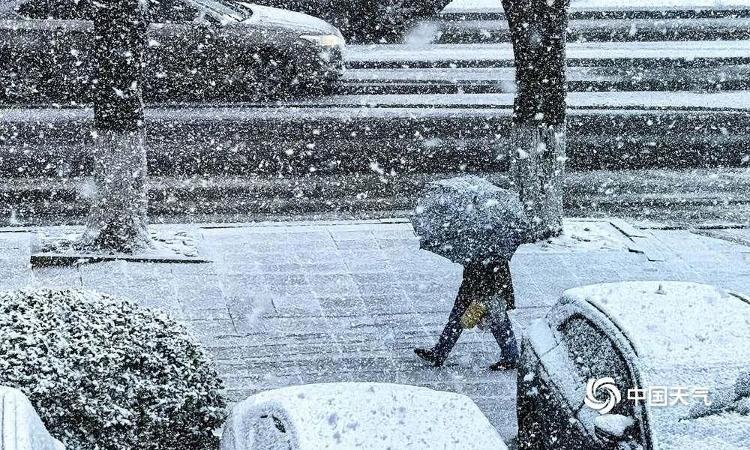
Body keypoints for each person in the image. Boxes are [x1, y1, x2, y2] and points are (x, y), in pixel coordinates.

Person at [414, 259, 519, 371]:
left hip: (486, 288)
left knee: (498, 321)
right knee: (459, 319)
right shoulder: (481, 251)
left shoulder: (491, 253)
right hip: (473, 286)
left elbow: (500, 274)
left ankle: (510, 357)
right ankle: (439, 352)